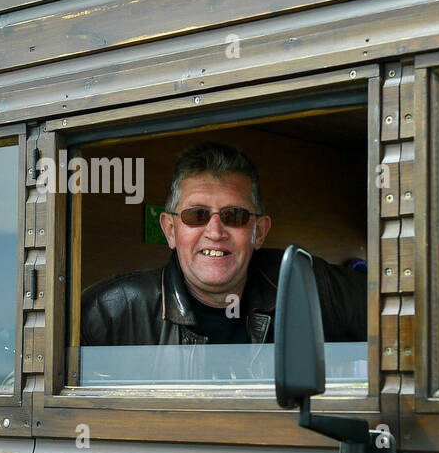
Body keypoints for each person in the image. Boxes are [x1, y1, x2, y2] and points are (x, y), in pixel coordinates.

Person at [80, 142, 366, 347]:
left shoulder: (306, 282)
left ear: (260, 231)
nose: (215, 231)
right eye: (197, 215)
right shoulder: (108, 312)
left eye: (235, 216)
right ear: (170, 230)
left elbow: (400, 309)